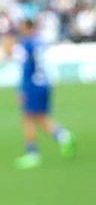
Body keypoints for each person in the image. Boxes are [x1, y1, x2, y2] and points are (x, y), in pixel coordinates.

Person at [13, 17, 75, 169]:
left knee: (27, 118)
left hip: (33, 85)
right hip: (45, 84)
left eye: (22, 27)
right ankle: (64, 136)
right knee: (40, 118)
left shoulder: (27, 45)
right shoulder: (40, 42)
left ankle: (32, 154)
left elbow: (26, 69)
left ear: (28, 28)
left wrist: (21, 90)